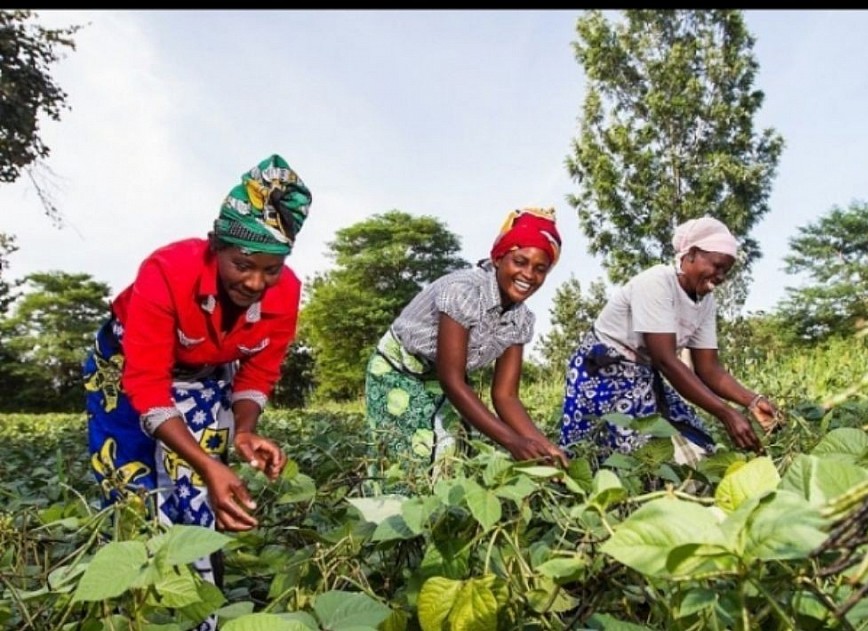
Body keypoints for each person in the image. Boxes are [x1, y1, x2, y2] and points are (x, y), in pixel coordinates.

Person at [82, 154, 311, 629]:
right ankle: (136, 606)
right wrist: (206, 463)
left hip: (206, 372)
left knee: (199, 495)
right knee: (133, 487)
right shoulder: (168, 270)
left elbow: (257, 374)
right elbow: (146, 382)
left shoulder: (285, 292)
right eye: (243, 265)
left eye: (271, 270)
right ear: (216, 246)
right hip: (128, 366)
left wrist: (243, 432)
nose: (255, 282)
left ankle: (199, 605)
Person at [365, 207, 569, 489]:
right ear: (499, 258)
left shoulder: (521, 320)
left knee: (451, 454)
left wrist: (542, 447)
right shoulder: (464, 291)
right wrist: (512, 442)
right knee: (409, 457)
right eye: (519, 261)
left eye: (540, 268)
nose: (528, 274)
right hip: (398, 370)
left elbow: (506, 395)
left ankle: (437, 525)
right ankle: (387, 524)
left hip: (444, 378)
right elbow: (452, 380)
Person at [558, 216, 780, 466]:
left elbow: (709, 369)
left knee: (698, 446)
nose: (720, 276)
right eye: (717, 266)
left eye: (726, 271)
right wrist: (726, 413)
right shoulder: (657, 282)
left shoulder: (705, 301)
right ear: (692, 254)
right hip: (600, 371)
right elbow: (665, 360)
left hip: (642, 374)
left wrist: (752, 401)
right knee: (624, 457)